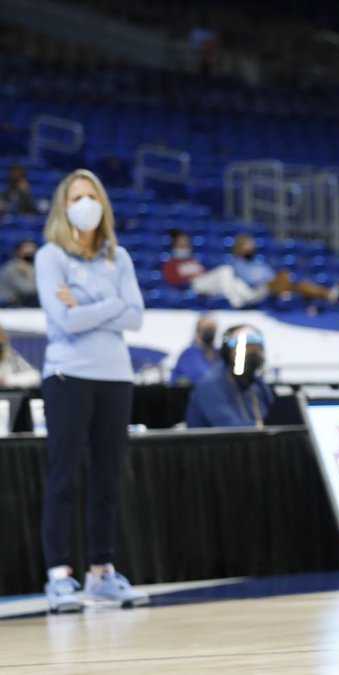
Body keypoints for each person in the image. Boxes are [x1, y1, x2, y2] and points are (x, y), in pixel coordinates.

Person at [34, 168, 147, 613]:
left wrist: (86, 304)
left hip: (116, 376)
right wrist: (113, 304)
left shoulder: (120, 258)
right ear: (64, 207)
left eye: (92, 195)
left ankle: (102, 572)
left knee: (107, 478)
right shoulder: (50, 256)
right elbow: (63, 321)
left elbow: (136, 316)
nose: (86, 204)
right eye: (77, 197)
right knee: (63, 475)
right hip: (68, 375)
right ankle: (59, 575)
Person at [184, 324, 272, 428]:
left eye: (257, 350)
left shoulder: (256, 384)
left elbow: (273, 419)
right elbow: (231, 430)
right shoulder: (210, 385)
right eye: (246, 348)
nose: (253, 354)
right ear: (227, 351)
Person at [229, 234, 339, 304]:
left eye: (252, 246)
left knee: (299, 284)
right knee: (286, 278)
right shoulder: (237, 263)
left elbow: (270, 274)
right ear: (240, 248)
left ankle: (329, 294)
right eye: (248, 246)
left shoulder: (257, 261)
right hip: (257, 289)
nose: (251, 248)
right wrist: (270, 281)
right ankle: (327, 294)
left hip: (271, 285)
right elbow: (249, 280)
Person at [170, 315, 220, 385]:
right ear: (198, 331)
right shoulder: (189, 354)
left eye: (211, 329)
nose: (210, 332)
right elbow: (201, 375)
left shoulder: (218, 353)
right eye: (206, 329)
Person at [0, 240, 39, 307]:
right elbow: (27, 290)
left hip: (22, 304)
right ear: (18, 251)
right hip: (6, 306)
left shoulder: (33, 267)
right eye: (26, 249)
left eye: (33, 249)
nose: (30, 251)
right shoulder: (11, 268)